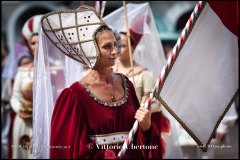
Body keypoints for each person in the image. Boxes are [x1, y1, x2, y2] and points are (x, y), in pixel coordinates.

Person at [40, 6, 164, 159]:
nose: (115, 51)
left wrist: (147, 127)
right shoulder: (73, 96)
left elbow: (139, 138)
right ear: (91, 50)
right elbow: (68, 150)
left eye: (115, 44)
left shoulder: (126, 84)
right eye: (107, 47)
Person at [10, 14, 42, 159]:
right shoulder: (23, 70)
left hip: (43, 122)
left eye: (40, 42)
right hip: (24, 122)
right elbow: (15, 97)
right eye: (33, 43)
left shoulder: (56, 70)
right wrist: (20, 110)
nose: (36, 46)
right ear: (29, 46)